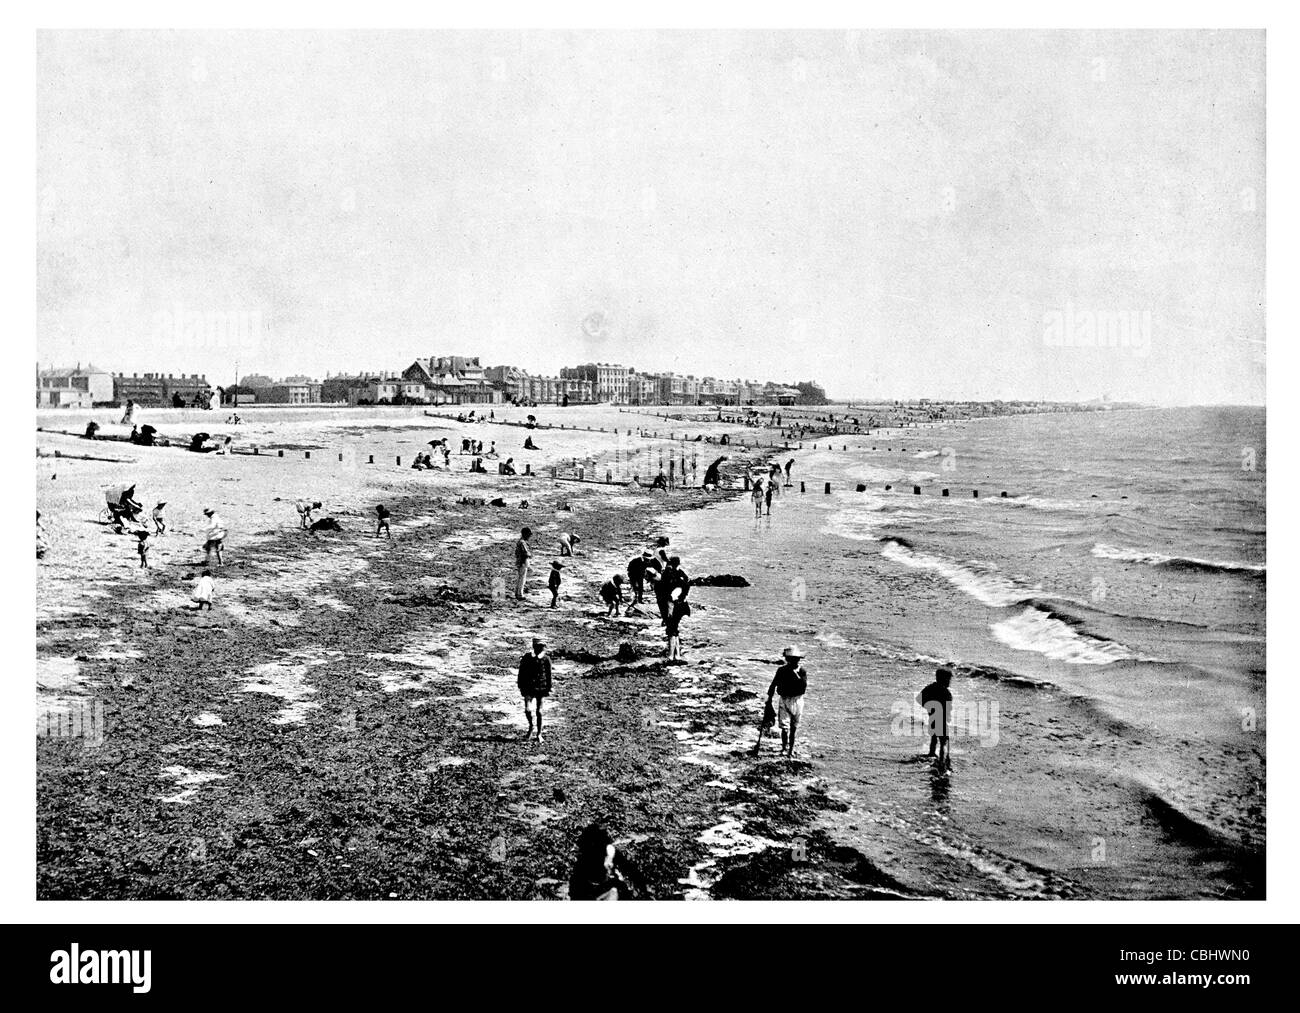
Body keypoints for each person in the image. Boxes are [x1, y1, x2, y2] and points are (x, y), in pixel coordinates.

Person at [568, 823, 648, 900]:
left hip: (605, 887)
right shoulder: (585, 857)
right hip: (589, 890)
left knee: (617, 889)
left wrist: (642, 886)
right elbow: (576, 884)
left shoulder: (609, 851)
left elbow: (629, 869)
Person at [764, 646, 808, 758]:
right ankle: (784, 748)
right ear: (788, 659)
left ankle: (791, 750)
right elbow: (773, 685)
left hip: (798, 700)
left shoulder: (802, 671)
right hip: (784, 699)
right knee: (785, 727)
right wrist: (769, 699)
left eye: (796, 659)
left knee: (794, 727)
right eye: (792, 659)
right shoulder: (782, 671)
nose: (794, 661)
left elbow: (803, 688)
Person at [517, 637, 552, 743]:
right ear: (533, 646)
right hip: (528, 687)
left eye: (542, 646)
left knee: (539, 711)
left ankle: (539, 733)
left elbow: (549, 675)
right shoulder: (527, 657)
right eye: (537, 646)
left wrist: (549, 688)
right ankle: (531, 726)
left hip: (541, 687)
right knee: (528, 709)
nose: (540, 648)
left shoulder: (546, 659)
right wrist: (520, 685)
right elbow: (521, 672)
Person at [918, 668, 954, 767]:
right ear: (943, 679)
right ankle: (943, 760)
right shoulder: (946, 692)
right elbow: (948, 708)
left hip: (932, 718)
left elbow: (919, 698)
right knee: (944, 741)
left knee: (934, 738)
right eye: (948, 680)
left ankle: (932, 754)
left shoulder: (930, 687)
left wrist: (929, 707)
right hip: (941, 720)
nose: (950, 682)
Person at [656, 556, 690, 625]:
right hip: (674, 594)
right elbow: (686, 581)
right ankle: (669, 621)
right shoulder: (678, 572)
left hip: (667, 594)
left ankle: (666, 620)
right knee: (673, 611)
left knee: (667, 610)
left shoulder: (667, 571)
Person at [666, 596, 690, 662]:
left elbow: (670, 599)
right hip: (681, 606)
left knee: (671, 631)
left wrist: (669, 612)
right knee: (675, 631)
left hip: (675, 607)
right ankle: (677, 655)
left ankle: (671, 656)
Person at [514, 526, 532, 599]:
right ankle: (520, 594)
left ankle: (517, 593)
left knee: (520, 578)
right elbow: (525, 553)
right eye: (528, 535)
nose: (529, 537)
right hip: (523, 562)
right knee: (522, 579)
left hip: (520, 561)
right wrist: (530, 554)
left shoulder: (520, 542)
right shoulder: (522, 542)